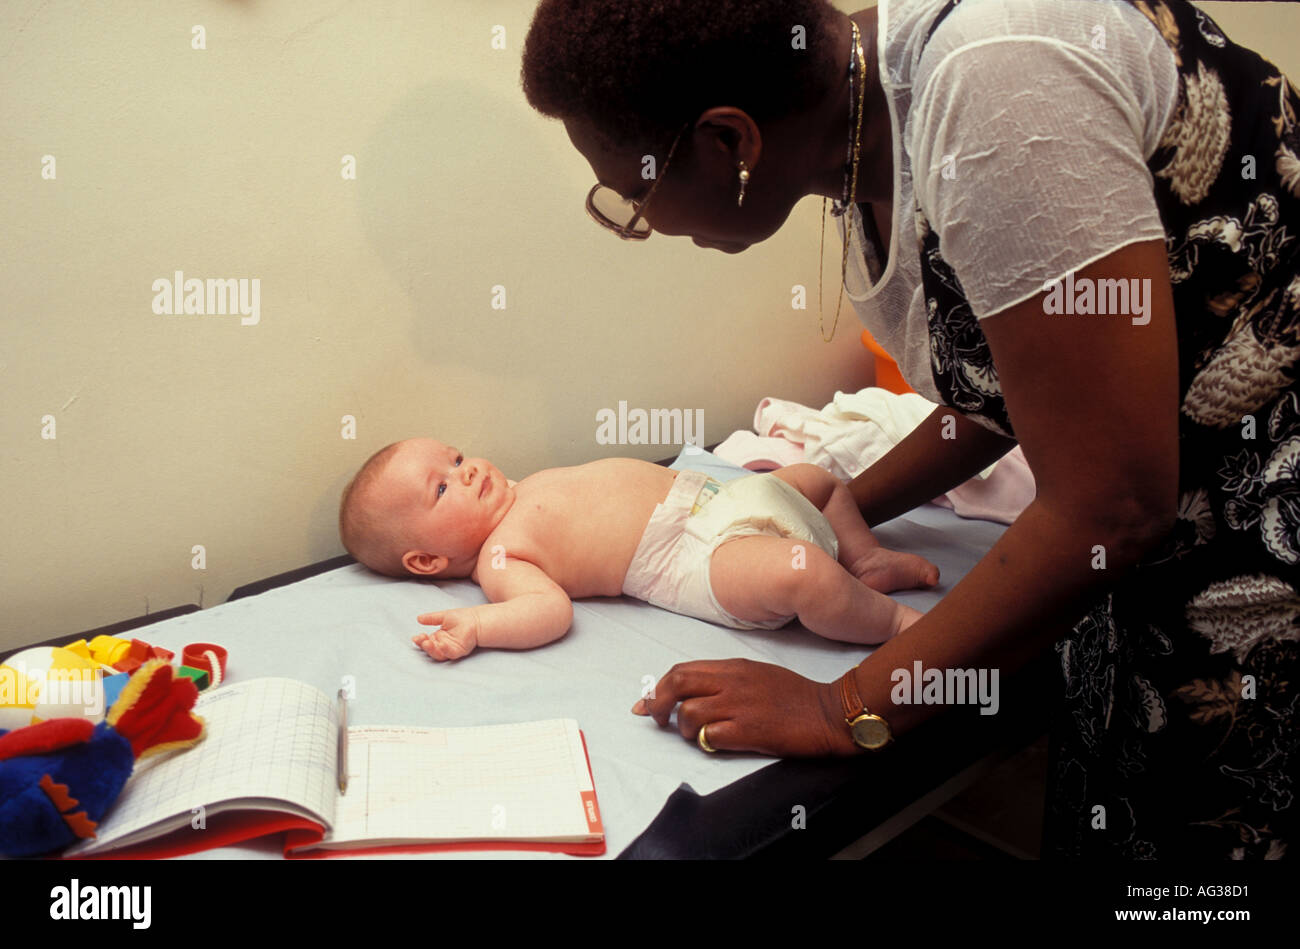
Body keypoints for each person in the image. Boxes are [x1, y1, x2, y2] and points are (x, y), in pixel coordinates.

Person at [520, 0, 1300, 859]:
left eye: (631, 194)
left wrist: (839, 705)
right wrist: (835, 503)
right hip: (1157, 534)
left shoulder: (1000, 85)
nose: (643, 223)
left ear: (730, 143)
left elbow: (1111, 504)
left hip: (1264, 535)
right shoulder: (871, 134)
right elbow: (1023, 380)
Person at [338, 438, 938, 658]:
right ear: (425, 562)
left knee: (818, 479)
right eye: (442, 487)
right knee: (800, 575)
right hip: (690, 559)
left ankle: (867, 559)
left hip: (717, 501)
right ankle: (891, 622)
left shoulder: (519, 493)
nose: (466, 471)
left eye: (458, 457)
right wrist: (477, 624)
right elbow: (547, 612)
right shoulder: (500, 559)